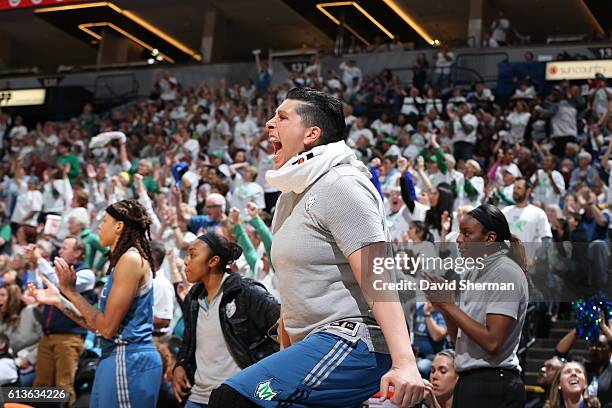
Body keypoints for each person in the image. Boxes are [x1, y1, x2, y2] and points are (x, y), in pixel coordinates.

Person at [209, 88, 425, 407]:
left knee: (233, 399)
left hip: (355, 341)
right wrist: (286, 352)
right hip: (315, 344)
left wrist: (405, 363)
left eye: (282, 117)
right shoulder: (290, 196)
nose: (270, 123)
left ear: (312, 134)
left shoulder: (342, 183)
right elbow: (296, 288)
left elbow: (377, 277)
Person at [28, 199, 163, 407]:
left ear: (119, 226)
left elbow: (107, 329)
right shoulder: (122, 261)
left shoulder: (131, 259)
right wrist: (60, 302)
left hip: (128, 357)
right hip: (116, 356)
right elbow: (99, 326)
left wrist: (70, 292)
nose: (99, 226)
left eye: (104, 221)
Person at [425, 204, 529, 407]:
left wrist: (450, 306)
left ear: (489, 238)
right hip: (471, 380)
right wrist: (445, 308)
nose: (458, 239)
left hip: (494, 383)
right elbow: (458, 340)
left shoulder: (505, 272)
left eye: (467, 234)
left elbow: (492, 342)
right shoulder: (472, 274)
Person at [172, 231, 280, 407]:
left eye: (192, 255)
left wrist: (265, 380)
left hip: (236, 397)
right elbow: (189, 340)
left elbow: (283, 329)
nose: (186, 261)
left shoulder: (246, 292)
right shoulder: (193, 296)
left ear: (213, 261)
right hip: (197, 397)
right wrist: (181, 363)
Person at [27, 237, 96, 406]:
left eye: (65, 247)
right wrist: (33, 265)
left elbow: (61, 284)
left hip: (69, 338)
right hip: (47, 335)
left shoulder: (86, 274)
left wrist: (40, 260)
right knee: (40, 387)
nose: (60, 251)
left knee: (63, 387)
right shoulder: (53, 271)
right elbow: (36, 287)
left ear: (78, 253)